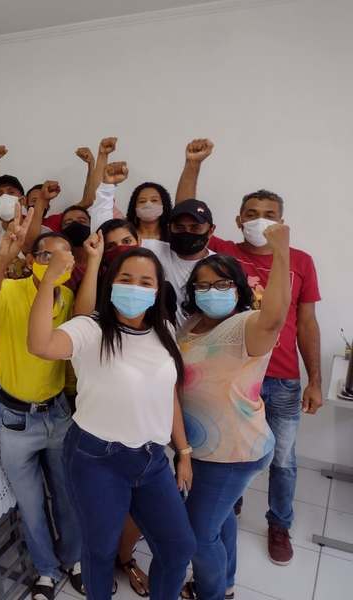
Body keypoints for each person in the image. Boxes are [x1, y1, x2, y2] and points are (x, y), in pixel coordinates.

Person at [176, 140, 322, 565]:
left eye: (269, 215)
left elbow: (306, 323)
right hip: (230, 377)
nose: (260, 221)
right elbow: (188, 213)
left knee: (284, 460)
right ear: (239, 220)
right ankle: (228, 506)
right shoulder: (224, 254)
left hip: (282, 378)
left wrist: (314, 380)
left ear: (282, 222)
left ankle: (280, 524)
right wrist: (192, 165)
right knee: (230, 462)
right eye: (252, 213)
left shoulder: (300, 261)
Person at [28, 241, 196, 600]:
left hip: (151, 459)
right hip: (97, 458)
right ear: (111, 283)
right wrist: (49, 282)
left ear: (158, 290)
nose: (135, 288)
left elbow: (167, 394)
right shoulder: (91, 329)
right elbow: (41, 345)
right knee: (100, 550)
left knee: (178, 546)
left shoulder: (164, 330)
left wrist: (183, 450)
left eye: (145, 282)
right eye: (126, 279)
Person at [0, 208, 82, 600]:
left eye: (65, 255)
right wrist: (4, 254)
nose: (57, 262)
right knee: (31, 504)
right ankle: (46, 571)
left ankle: (74, 559)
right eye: (48, 255)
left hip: (58, 412)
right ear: (33, 259)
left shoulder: (67, 298)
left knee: (67, 495)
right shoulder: (11, 292)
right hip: (16, 418)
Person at [177, 225, 290, 600]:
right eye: (203, 285)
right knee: (220, 517)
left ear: (239, 288)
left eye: (222, 284)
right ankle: (224, 584)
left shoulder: (246, 326)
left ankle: (210, 593)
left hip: (234, 451)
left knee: (198, 533)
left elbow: (274, 317)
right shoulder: (191, 323)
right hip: (201, 449)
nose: (212, 291)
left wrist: (281, 252)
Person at [91, 160, 215, 325]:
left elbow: (186, 207)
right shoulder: (148, 248)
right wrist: (107, 187)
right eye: (142, 201)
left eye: (195, 227)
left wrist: (193, 164)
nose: (187, 232)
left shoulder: (213, 264)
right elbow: (102, 230)